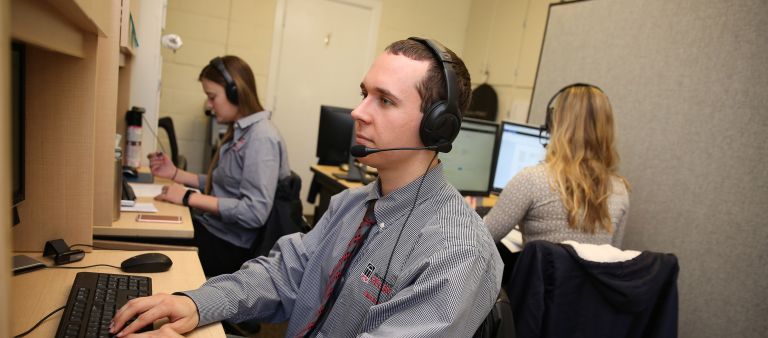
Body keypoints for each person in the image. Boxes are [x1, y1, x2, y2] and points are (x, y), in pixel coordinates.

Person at [111, 38, 503, 338]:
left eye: (384, 100)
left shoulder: (458, 251)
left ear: (437, 128)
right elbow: (284, 274)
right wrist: (197, 303)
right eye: (364, 93)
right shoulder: (351, 205)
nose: (358, 112)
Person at [148, 55, 291, 276]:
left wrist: (188, 197)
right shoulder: (241, 129)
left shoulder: (261, 137)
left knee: (150, 240)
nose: (209, 104)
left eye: (212, 96)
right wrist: (176, 173)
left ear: (236, 92)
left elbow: (254, 212)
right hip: (215, 231)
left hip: (229, 247)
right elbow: (226, 183)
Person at [484, 84, 630, 247]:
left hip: (538, 273)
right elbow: (613, 256)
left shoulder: (531, 181)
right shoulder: (620, 191)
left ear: (555, 123)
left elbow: (482, 239)